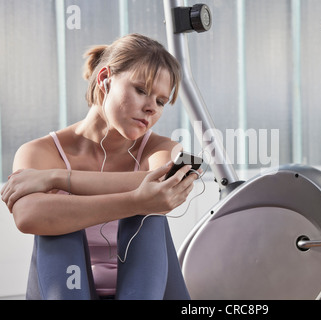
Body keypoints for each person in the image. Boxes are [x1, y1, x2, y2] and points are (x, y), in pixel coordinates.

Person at [1, 33, 198, 300]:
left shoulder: (164, 148)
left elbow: (169, 181)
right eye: (141, 90)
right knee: (57, 223)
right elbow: (27, 217)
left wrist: (57, 179)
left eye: (161, 102)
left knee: (149, 215)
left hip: (145, 291)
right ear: (105, 78)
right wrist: (138, 197)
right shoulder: (38, 151)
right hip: (66, 290)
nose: (151, 108)